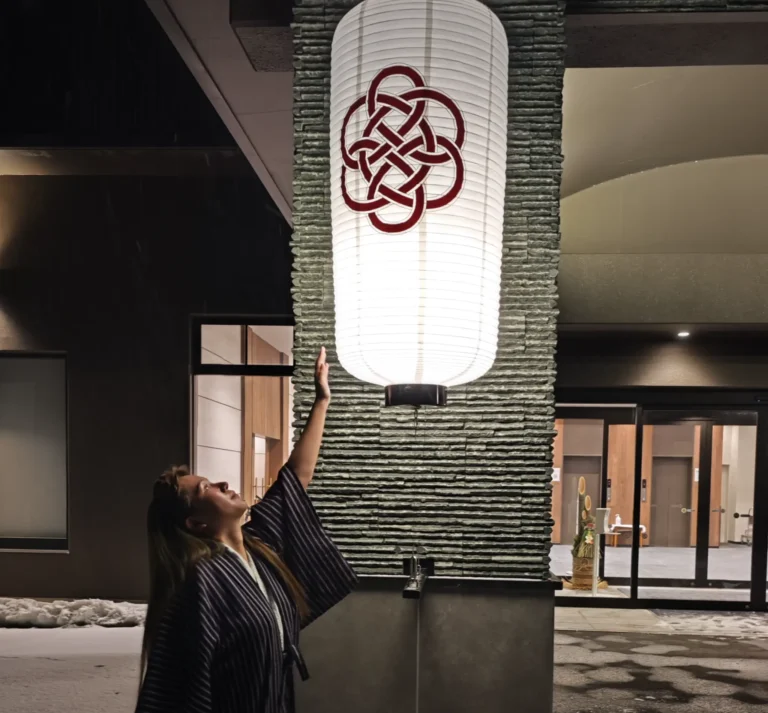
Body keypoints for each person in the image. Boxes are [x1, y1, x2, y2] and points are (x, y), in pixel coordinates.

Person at [136, 347, 357, 713]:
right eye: (206, 488)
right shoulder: (202, 581)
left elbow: (295, 478)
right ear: (195, 523)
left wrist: (322, 401)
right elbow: (179, 683)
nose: (223, 483)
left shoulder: (259, 547)